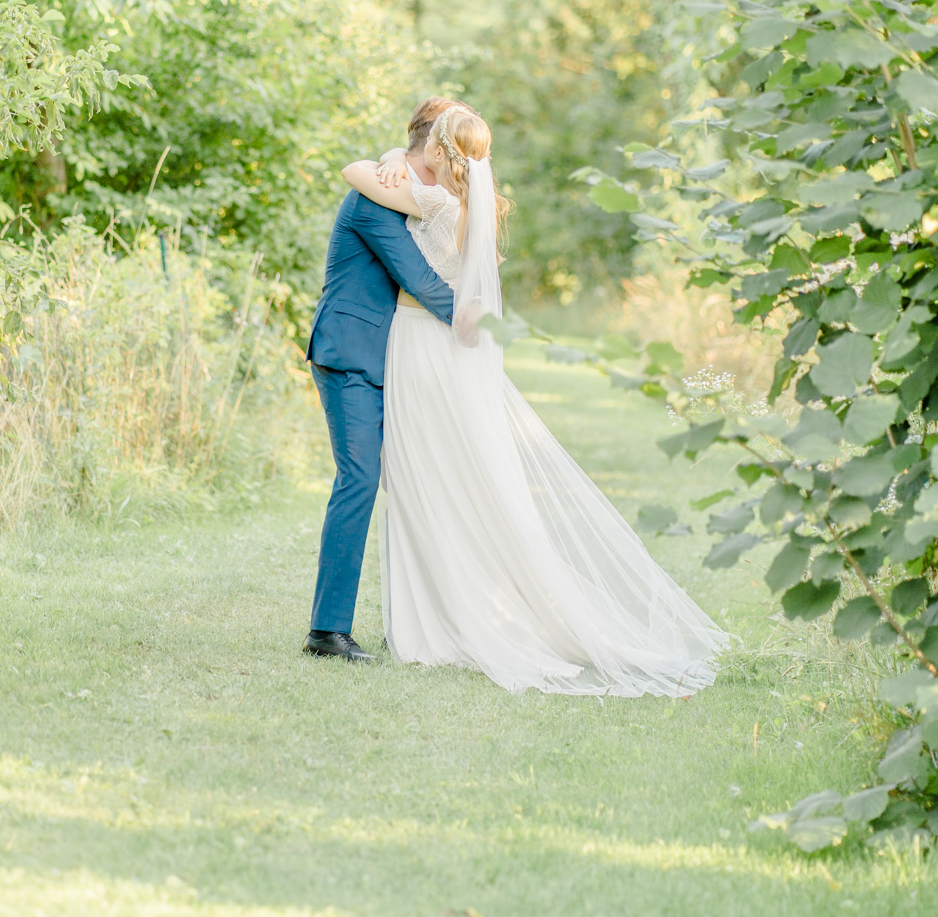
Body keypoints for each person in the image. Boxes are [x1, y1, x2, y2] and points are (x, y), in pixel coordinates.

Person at [338, 106, 727, 696]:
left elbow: (353, 172)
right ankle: (447, 610)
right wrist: (401, 160)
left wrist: (391, 159)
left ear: (441, 152)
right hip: (448, 351)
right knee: (452, 477)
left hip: (419, 345)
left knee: (423, 481)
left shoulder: (434, 203)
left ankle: (436, 620)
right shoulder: (480, 209)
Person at [303, 98, 474, 663]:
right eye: (435, 167)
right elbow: (419, 279)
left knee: (421, 480)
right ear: (420, 152)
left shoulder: (408, 189)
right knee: (360, 478)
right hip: (351, 354)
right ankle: (327, 631)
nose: (439, 180)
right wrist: (475, 321)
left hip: (398, 361)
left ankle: (423, 622)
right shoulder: (374, 201)